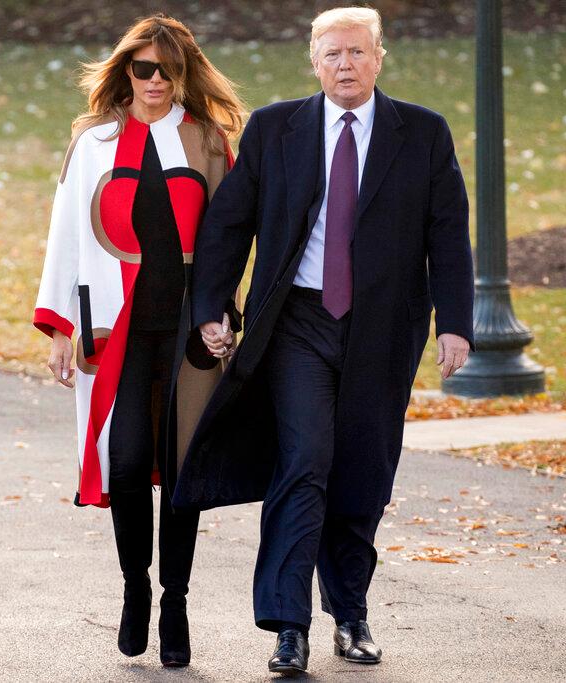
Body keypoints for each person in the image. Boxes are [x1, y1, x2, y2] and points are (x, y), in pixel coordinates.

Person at [174, 6, 474, 676]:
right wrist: (213, 307)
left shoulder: (421, 133)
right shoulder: (278, 128)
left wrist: (456, 321)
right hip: (298, 325)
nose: (346, 65)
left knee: (362, 470)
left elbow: (448, 232)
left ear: (379, 57)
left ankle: (352, 612)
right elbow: (230, 222)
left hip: (383, 330)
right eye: (333, 53)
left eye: (358, 53)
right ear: (314, 59)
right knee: (304, 460)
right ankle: (289, 626)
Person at [32, 14, 244, 668]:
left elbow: (232, 232)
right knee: (125, 463)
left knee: (182, 471)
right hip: (112, 327)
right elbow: (65, 234)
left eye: (167, 70)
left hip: (188, 328)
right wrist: (60, 324)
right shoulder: (93, 141)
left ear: (184, 73)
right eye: (142, 68)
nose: (154, 81)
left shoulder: (207, 140)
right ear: (126, 70)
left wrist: (223, 310)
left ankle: (175, 602)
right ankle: (134, 589)